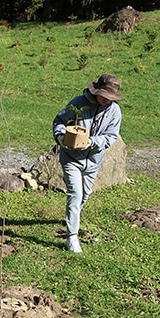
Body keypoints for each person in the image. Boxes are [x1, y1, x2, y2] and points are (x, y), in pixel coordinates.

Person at [51, 73, 124, 253]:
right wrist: (60, 137)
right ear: (96, 91)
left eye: (110, 97)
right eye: (104, 96)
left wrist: (92, 142)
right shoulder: (78, 103)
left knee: (85, 194)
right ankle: (72, 237)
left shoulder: (114, 111)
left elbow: (111, 136)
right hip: (71, 158)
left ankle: (72, 216)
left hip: (93, 160)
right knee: (75, 194)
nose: (106, 100)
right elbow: (59, 121)